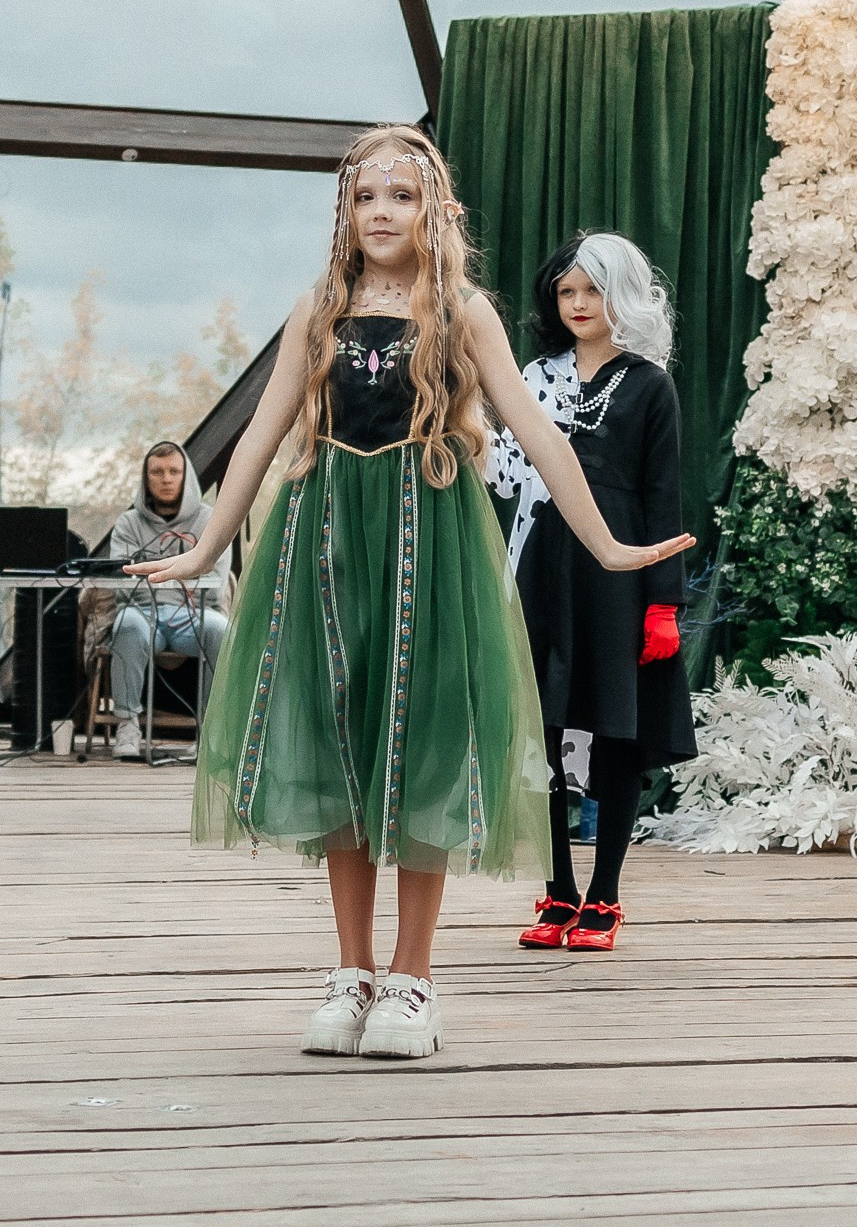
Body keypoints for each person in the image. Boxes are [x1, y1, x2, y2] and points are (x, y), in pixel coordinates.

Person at [131, 125, 693, 1061]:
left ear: (434, 209)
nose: (382, 212)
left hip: (429, 539)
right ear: (345, 213)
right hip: (325, 539)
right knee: (341, 740)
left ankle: (412, 979)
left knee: (424, 744)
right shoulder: (320, 306)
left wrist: (609, 545)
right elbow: (263, 436)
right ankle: (351, 972)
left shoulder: (463, 310)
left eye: (401, 195)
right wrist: (203, 552)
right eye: (365, 197)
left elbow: (542, 435)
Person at [490, 233, 693, 953]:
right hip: (541, 568)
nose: (578, 304)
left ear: (622, 296)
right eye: (567, 292)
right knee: (542, 732)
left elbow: (664, 496)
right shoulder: (533, 376)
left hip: (619, 579)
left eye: (593, 291)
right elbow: (504, 480)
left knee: (614, 733)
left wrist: (663, 601)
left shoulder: (648, 384)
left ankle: (604, 894)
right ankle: (557, 893)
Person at [105, 442, 229, 760]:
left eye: (174, 471)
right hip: (142, 613)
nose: (166, 478)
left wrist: (155, 576)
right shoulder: (128, 523)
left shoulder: (209, 521)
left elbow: (215, 586)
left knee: (221, 630)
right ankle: (128, 727)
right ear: (146, 478)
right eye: (157, 472)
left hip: (194, 614)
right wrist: (183, 575)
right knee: (125, 624)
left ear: (186, 476)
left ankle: (210, 733)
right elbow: (122, 586)